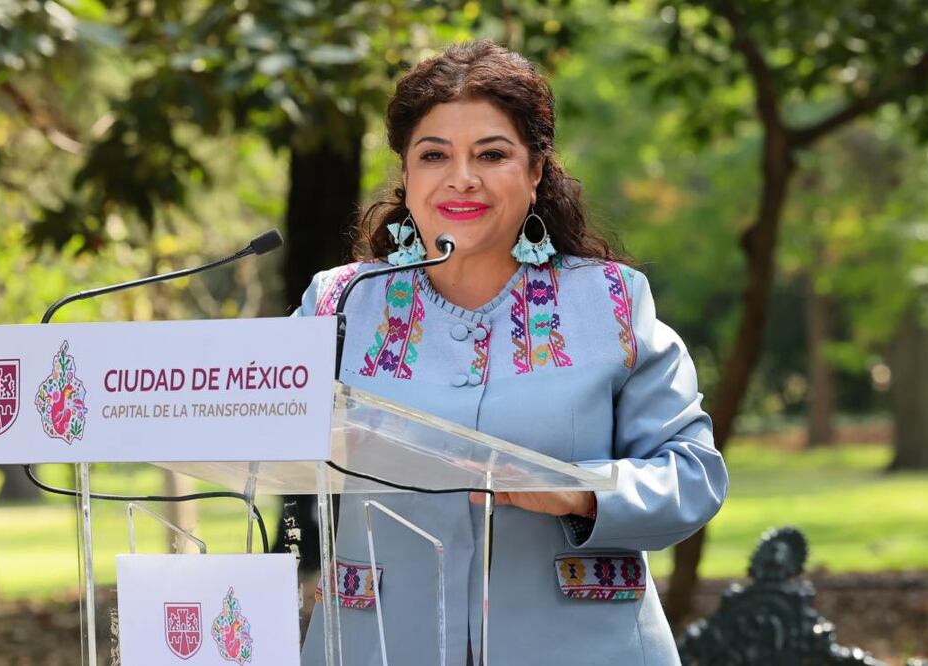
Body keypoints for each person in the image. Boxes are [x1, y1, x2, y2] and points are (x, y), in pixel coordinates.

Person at [295, 40, 728, 665]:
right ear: (408, 177)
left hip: (581, 647)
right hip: (379, 645)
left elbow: (693, 475)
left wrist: (580, 492)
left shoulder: (609, 302)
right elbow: (254, 424)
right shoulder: (341, 302)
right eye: (433, 155)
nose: (461, 177)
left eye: (491, 154)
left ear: (534, 173)